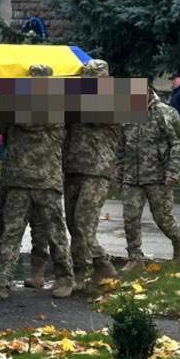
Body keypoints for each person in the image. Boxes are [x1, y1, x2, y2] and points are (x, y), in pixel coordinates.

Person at [0, 64, 75, 300]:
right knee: (11, 232)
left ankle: (65, 278)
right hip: (18, 179)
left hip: (45, 180)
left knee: (55, 232)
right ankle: (1, 281)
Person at [63, 59, 120, 292]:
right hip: (73, 168)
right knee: (73, 223)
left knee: (83, 224)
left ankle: (89, 270)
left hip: (97, 171)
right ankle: (98, 268)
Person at [120, 85, 180, 270]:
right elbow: (120, 144)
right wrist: (118, 171)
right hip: (131, 176)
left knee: (162, 218)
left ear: (148, 93)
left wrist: (173, 171)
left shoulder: (166, 113)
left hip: (158, 176)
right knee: (130, 217)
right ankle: (135, 257)